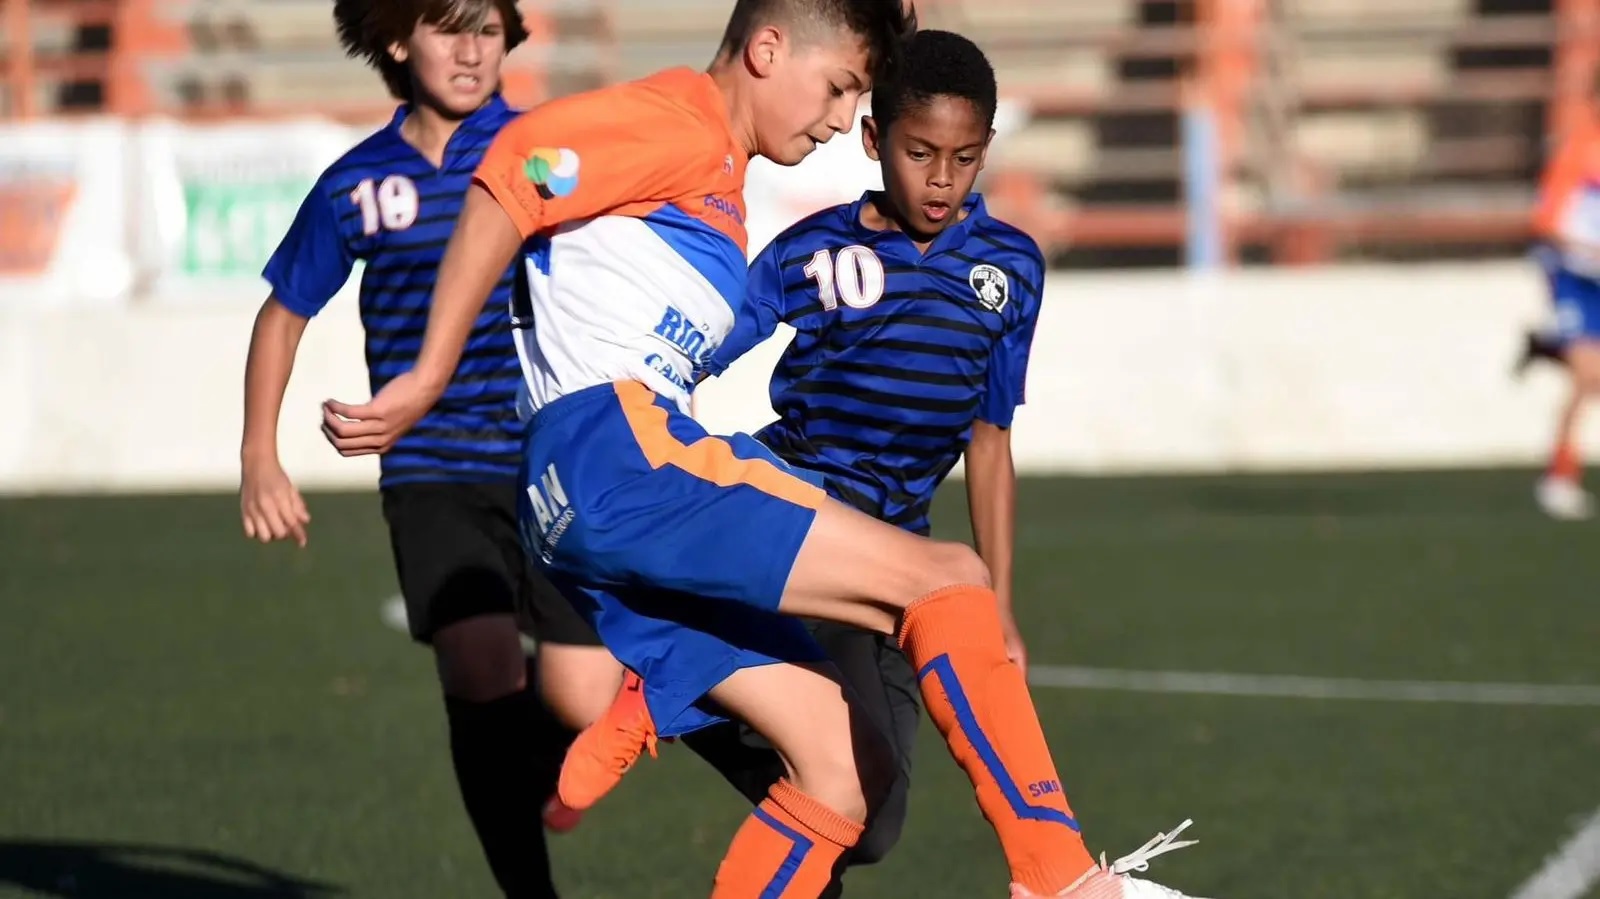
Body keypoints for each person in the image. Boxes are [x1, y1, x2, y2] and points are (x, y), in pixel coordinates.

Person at [320, 2, 1207, 895]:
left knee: (843, 775)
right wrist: (428, 375)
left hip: (591, 488)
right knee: (950, 579)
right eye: (835, 90)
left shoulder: (717, 184)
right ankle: (1058, 874)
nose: (832, 121)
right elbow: (514, 170)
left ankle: (658, 688)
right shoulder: (677, 121)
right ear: (767, 48)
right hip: (619, 455)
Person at [237, 2, 620, 896]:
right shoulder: (358, 183)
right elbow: (282, 313)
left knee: (581, 699)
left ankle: (540, 750)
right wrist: (261, 454)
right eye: (449, 28)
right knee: (482, 665)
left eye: (487, 30)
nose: (472, 50)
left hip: (549, 457)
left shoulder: (549, 150)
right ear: (398, 39)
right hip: (432, 466)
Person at [680, 28, 1035, 897]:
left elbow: (990, 447)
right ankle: (680, 678)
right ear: (876, 142)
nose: (942, 179)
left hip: (897, 557)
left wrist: (1000, 609)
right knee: (839, 794)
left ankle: (688, 695)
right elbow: (695, 349)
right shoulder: (814, 251)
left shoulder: (1012, 270)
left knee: (872, 827)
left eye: (964, 157)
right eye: (920, 153)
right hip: (793, 522)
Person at [1523, 91, 1600, 520]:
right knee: (1588, 375)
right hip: (1574, 276)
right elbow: (1548, 221)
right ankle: (1559, 477)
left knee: (1591, 378)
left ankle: (1548, 346)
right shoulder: (1581, 148)